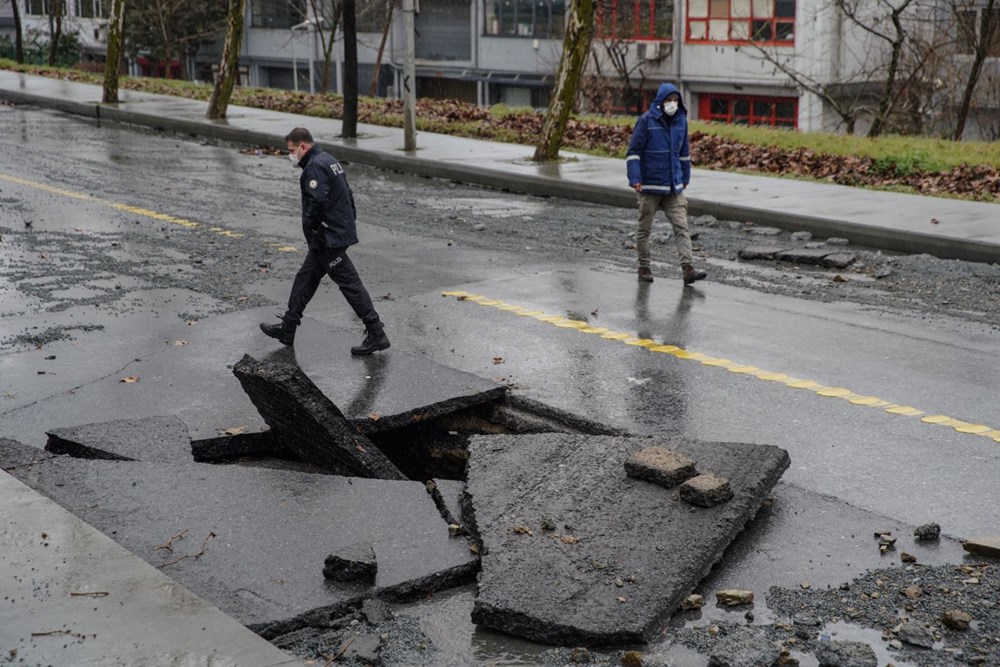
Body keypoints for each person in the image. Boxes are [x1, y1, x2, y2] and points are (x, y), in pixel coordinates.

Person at [260, 127, 390, 355]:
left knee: (349, 283)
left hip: (328, 238)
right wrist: (345, 225)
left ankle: (376, 333)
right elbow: (348, 195)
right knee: (306, 278)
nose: (291, 155)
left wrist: (314, 228)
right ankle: (287, 328)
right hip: (332, 234)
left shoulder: (314, 167)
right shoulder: (328, 160)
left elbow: (317, 202)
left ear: (303, 146)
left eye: (292, 150)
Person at [626, 83, 707, 286]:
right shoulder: (646, 121)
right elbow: (633, 152)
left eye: (675, 100)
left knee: (682, 227)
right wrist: (635, 179)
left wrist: (685, 178)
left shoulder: (681, 121)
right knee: (644, 229)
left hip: (673, 187)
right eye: (668, 100)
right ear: (660, 102)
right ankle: (644, 267)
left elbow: (684, 152)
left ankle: (688, 269)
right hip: (649, 186)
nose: (672, 104)